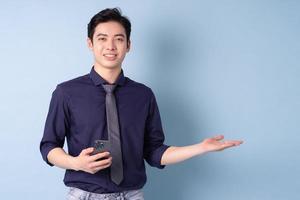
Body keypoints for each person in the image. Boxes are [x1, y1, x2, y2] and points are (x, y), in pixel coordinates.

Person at [39, 7, 243, 200]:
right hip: (83, 194)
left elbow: (155, 152)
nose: (110, 46)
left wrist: (201, 148)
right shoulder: (66, 93)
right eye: (102, 38)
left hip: (132, 195)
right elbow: (49, 146)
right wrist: (76, 163)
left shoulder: (143, 95)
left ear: (128, 45)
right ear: (90, 43)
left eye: (118, 39)